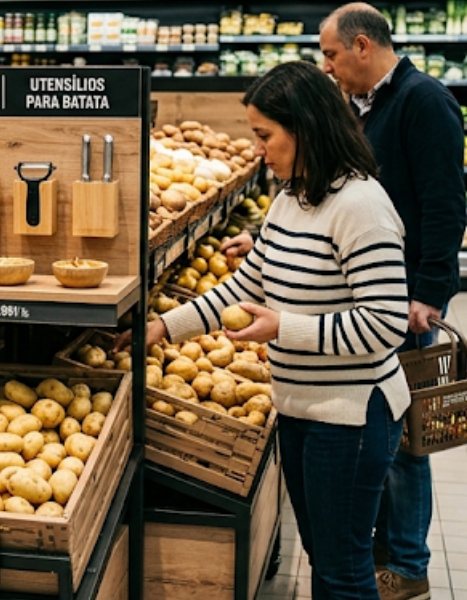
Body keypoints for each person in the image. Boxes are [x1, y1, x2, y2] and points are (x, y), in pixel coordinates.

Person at [116, 60, 412, 599]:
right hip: (300, 408)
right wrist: (162, 326)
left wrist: (286, 328)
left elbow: (387, 323)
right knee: (327, 560)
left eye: (265, 136)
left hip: (350, 415)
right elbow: (244, 287)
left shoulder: (362, 208)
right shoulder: (289, 201)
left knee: (342, 572)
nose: (258, 150)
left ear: (305, 130)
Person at [320, 5, 466, 599]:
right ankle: (385, 550)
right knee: (379, 433)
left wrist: (429, 294)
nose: (326, 68)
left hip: (404, 303)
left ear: (360, 46)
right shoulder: (362, 106)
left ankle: (408, 567)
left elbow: (444, 203)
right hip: (371, 298)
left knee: (407, 442)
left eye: (330, 55)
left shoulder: (423, 100)